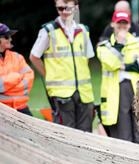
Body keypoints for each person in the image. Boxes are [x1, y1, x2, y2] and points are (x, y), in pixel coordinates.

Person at [30, 0, 95, 132]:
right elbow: (34, 57)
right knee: (65, 135)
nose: (64, 12)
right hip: (61, 95)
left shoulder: (83, 30)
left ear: (76, 7)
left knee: (87, 136)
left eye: (67, 8)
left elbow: (86, 58)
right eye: (60, 8)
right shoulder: (48, 30)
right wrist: (48, 76)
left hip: (84, 93)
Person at [97, 10, 139, 143]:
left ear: (129, 25)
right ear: (112, 24)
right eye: (119, 23)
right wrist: (120, 44)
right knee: (123, 134)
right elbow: (111, 63)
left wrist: (125, 66)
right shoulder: (104, 46)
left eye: (125, 23)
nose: (122, 26)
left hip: (137, 91)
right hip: (116, 94)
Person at [0, 23, 34, 116]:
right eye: (6, 37)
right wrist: (16, 77)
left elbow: (29, 78)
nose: (10, 39)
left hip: (21, 107)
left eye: (10, 36)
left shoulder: (17, 57)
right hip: (2, 111)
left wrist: (6, 89)